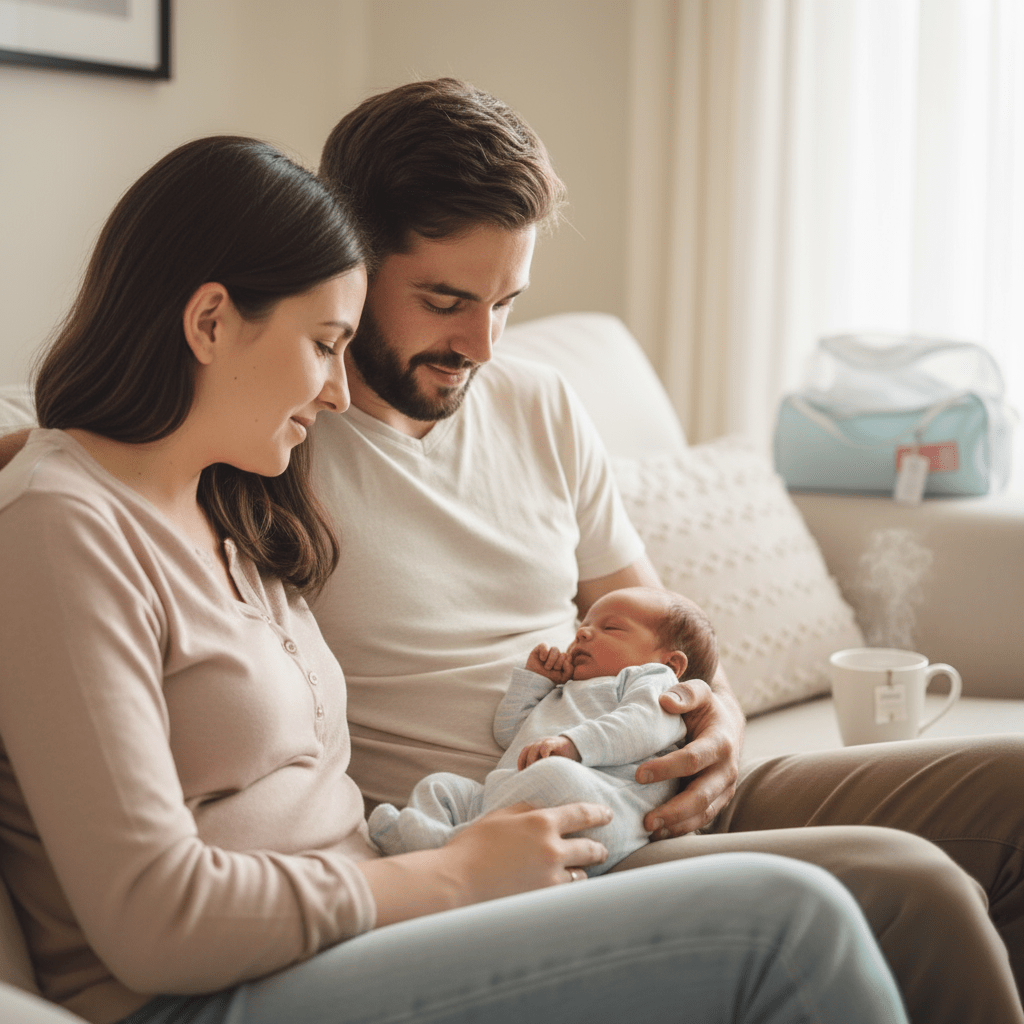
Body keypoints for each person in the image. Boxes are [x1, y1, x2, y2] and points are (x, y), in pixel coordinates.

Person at [0, 136, 910, 1024]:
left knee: (907, 897)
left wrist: (454, 868)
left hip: (386, 909)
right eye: (325, 346)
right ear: (207, 323)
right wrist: (452, 874)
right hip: (219, 988)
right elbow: (155, 925)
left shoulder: (230, 503)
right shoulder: (61, 529)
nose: (338, 394)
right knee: (791, 924)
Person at [309, 77, 1024, 1024]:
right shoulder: (278, 444)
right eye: (445, 299)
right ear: (350, 263)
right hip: (541, 834)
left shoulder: (540, 404)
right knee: (912, 885)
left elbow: (654, 615)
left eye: (508, 300)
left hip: (663, 773)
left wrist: (720, 726)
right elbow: (88, 449)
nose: (481, 343)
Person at [370, 586, 716, 873]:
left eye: (611, 628)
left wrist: (574, 744)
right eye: (583, 625)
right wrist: (536, 681)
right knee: (441, 786)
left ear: (670, 662)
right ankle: (447, 844)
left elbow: (643, 725)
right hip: (507, 796)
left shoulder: (651, 680)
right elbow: (510, 734)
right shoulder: (565, 689)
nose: (583, 632)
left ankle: (445, 849)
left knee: (555, 773)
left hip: (603, 807)